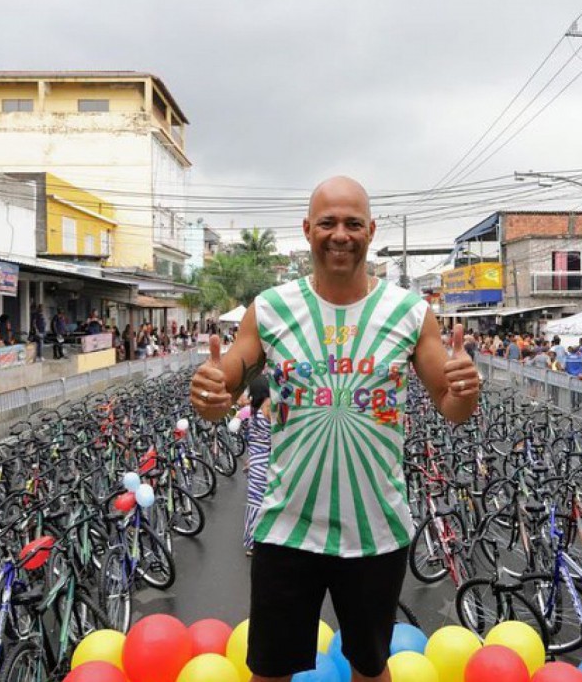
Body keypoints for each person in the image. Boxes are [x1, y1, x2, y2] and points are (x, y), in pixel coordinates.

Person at [189, 176, 479, 682]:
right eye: (327, 223)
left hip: (376, 532)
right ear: (307, 230)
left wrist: (466, 390)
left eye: (351, 223)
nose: (339, 234)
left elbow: (451, 407)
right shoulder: (272, 308)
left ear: (371, 230)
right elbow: (222, 393)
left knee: (370, 669)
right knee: (269, 672)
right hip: (287, 529)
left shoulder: (410, 312)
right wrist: (211, 391)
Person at [242, 374, 272, 555]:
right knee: (266, 501)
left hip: (255, 461)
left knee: (254, 502)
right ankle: (266, 539)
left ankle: (253, 541)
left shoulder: (252, 410)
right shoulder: (268, 406)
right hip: (266, 460)